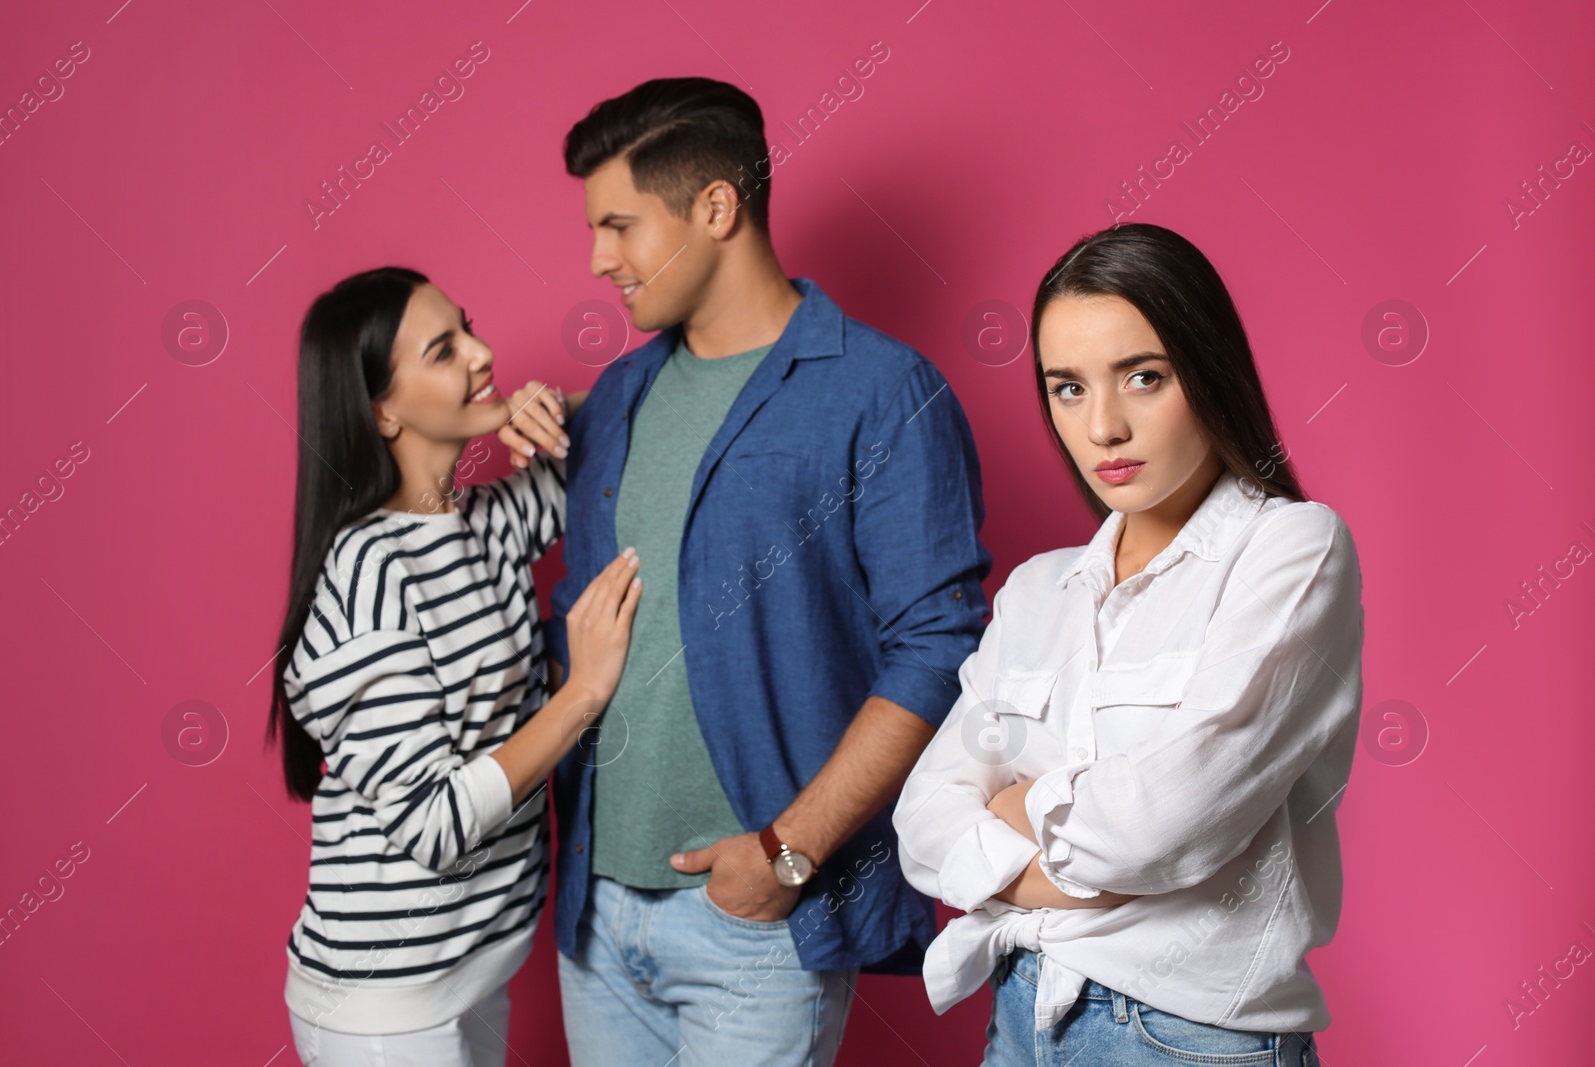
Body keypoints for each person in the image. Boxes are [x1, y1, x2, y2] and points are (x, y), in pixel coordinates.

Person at [495, 77, 993, 1067]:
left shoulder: (884, 392)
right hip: (596, 917)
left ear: (716, 207)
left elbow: (938, 651)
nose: (599, 259)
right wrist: (505, 425)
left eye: (621, 226)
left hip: (756, 922)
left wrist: (788, 854)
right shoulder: (615, 399)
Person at [892, 222, 1364, 1066]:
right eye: (1067, 387)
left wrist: (1013, 806)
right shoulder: (1040, 588)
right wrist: (1087, 845)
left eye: (1142, 377)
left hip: (1183, 1036)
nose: (1103, 425)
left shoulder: (1292, 548)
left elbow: (1163, 828)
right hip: (1019, 1012)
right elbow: (924, 820)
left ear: (1207, 369)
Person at [267, 266, 644, 1067]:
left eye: (468, 327)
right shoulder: (368, 572)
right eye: (444, 350)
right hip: (385, 1004)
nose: (483, 353)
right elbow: (433, 824)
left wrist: (539, 410)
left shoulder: (490, 520)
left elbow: (624, 435)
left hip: (475, 969)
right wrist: (582, 693)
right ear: (382, 410)